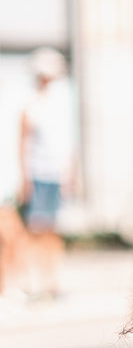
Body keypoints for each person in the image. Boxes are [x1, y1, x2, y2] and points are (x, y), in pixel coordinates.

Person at [18, 47, 76, 299]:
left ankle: (52, 282)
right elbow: (22, 144)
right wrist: (24, 178)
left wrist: (71, 174)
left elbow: (68, 143)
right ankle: (33, 282)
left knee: (52, 231)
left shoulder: (61, 103)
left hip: (56, 175)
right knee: (35, 230)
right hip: (38, 174)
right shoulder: (30, 105)